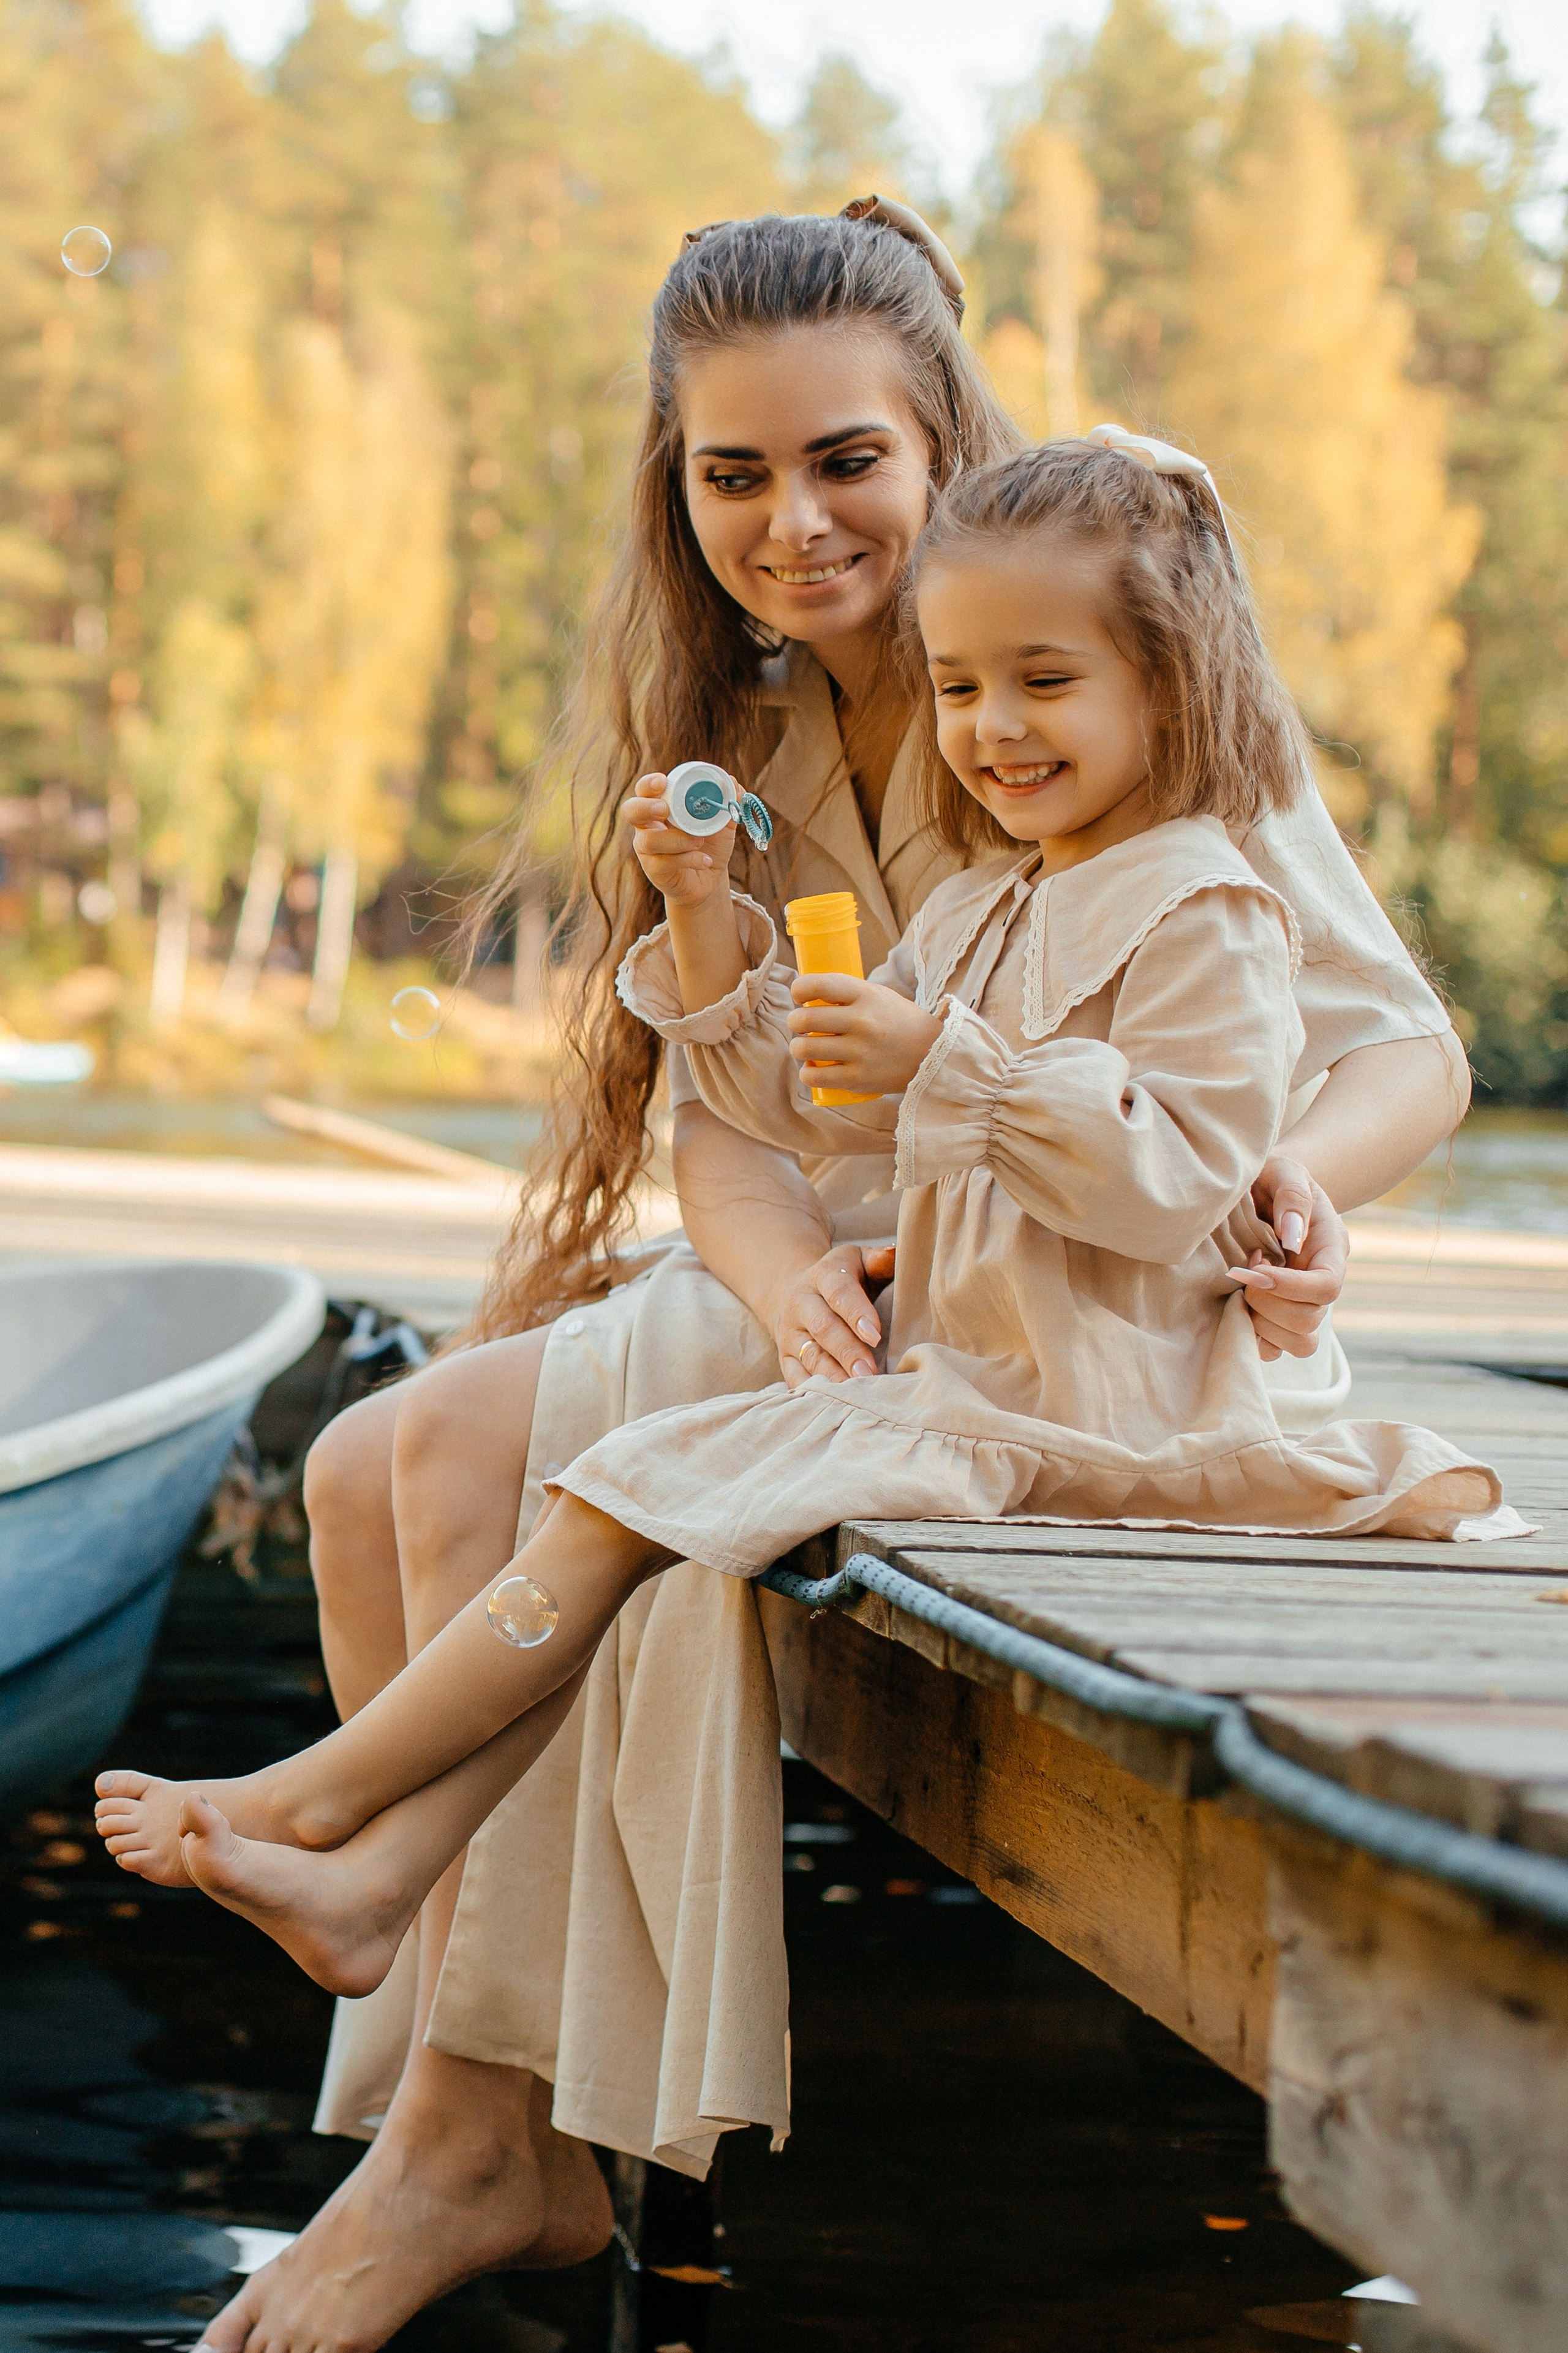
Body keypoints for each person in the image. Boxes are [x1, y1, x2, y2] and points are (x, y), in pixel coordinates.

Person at [135, 209, 1470, 2353]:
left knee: (479, 1449)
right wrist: (765, 1272)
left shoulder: (1080, 673)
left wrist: (1293, 1178)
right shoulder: (747, 755)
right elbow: (733, 1132)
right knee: (373, 1455)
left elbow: (1401, 1041)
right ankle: (455, 2111)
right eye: (729, 472)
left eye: (845, 457)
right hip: (844, 1283)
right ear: (675, 485)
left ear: (943, 435)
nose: (790, 521)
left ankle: (478, 2134)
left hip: (1047, 1293)